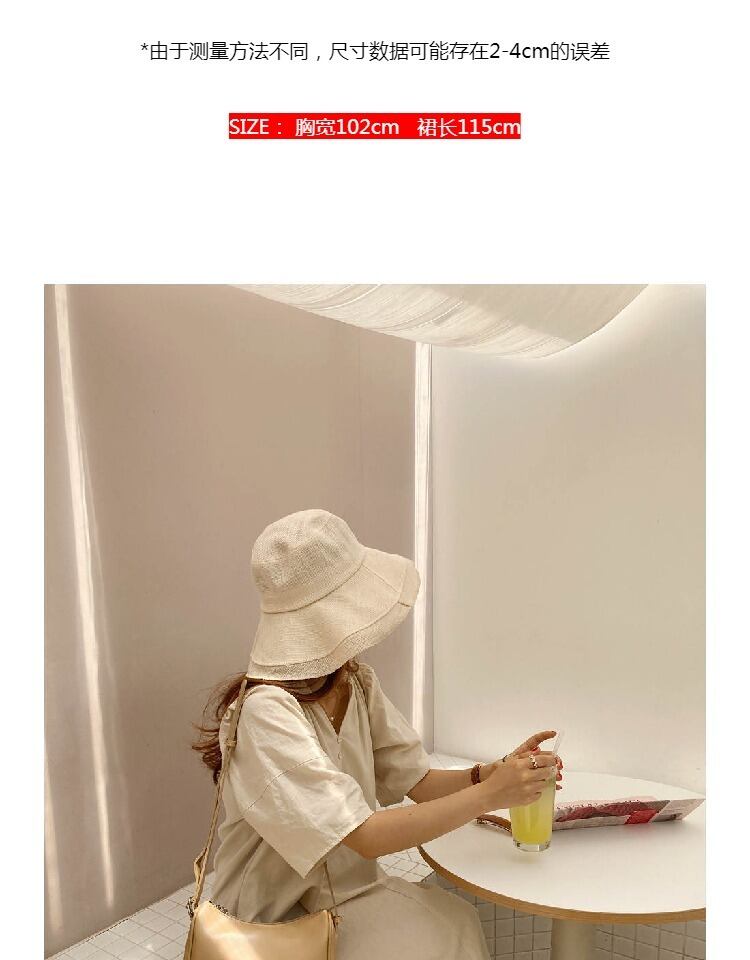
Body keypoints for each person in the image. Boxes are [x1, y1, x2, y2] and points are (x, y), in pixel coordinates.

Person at [192, 508, 563, 960]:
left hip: (345, 896)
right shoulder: (263, 714)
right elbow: (364, 836)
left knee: (457, 921)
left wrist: (492, 774)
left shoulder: (356, 684)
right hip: (267, 922)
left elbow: (419, 782)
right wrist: (490, 795)